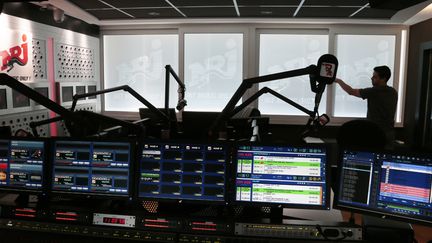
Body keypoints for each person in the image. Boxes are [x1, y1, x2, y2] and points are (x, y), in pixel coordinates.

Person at [335, 65, 398, 148]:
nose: (371, 78)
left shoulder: (374, 91)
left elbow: (351, 91)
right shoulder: (393, 92)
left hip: (376, 133)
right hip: (389, 133)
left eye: (375, 77)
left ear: (383, 79)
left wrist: (338, 81)